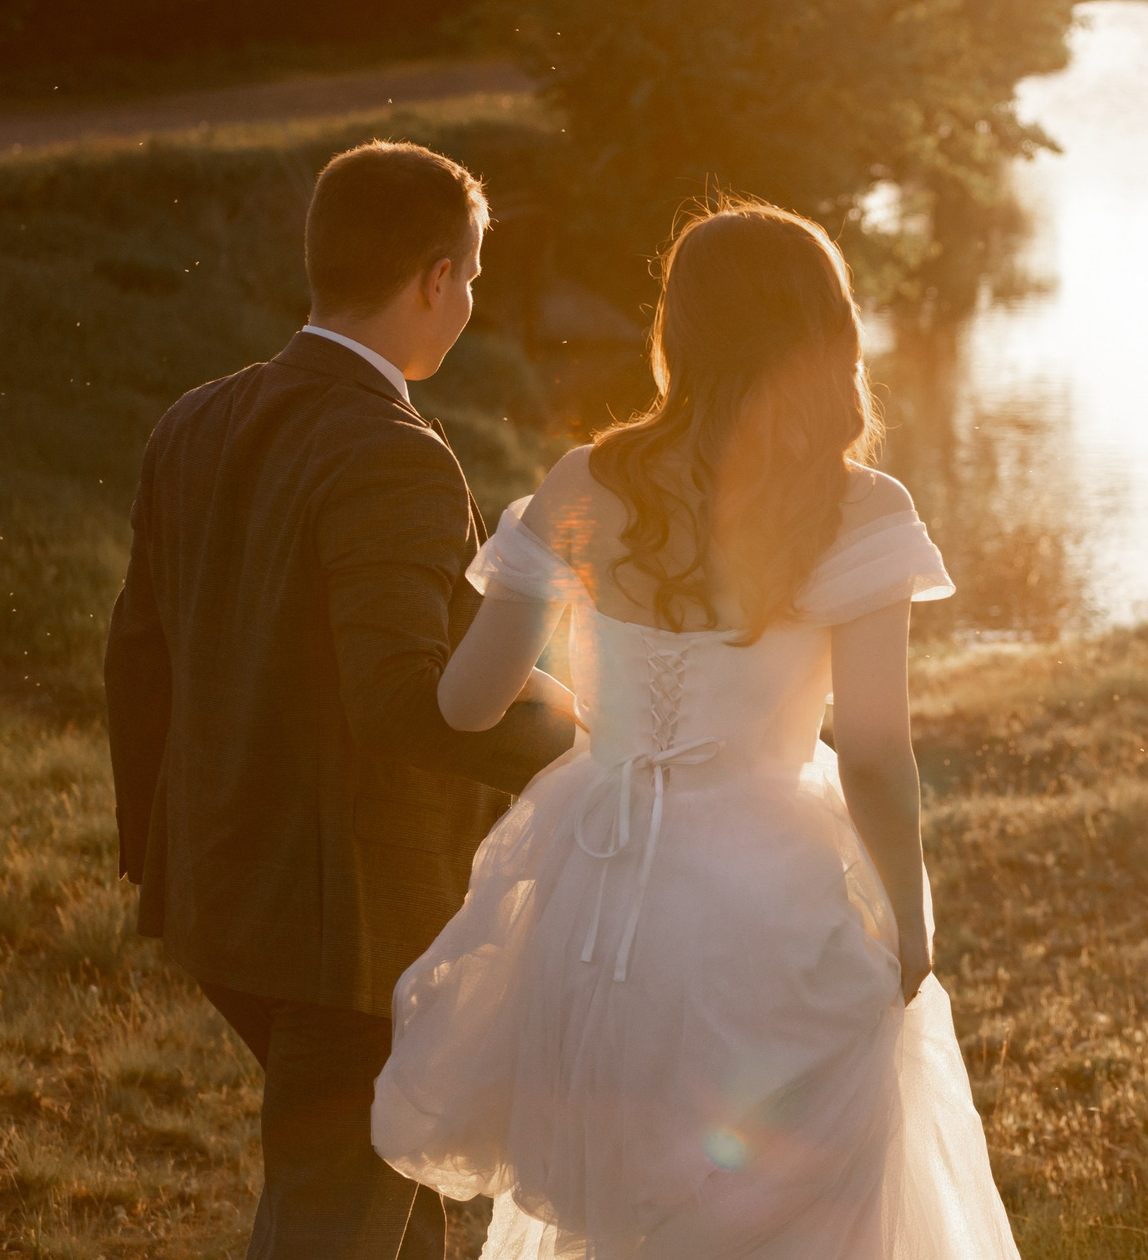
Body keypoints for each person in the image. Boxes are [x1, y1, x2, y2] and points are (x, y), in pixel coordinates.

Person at [371, 201, 1020, 1260]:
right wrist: (911, 924)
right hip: (764, 892)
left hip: (596, 888)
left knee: (615, 1206)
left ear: (679, 328)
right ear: (826, 330)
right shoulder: (857, 507)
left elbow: (466, 702)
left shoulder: (588, 482)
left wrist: (602, 723)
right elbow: (870, 754)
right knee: (781, 1209)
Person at [103, 141, 579, 1260]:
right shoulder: (392, 454)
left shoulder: (196, 418)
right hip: (350, 929)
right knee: (336, 1219)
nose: (469, 302)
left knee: (399, 1199)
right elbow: (403, 703)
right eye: (469, 277)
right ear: (433, 278)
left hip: (225, 897)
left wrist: (157, 852)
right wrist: (578, 748)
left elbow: (138, 657)